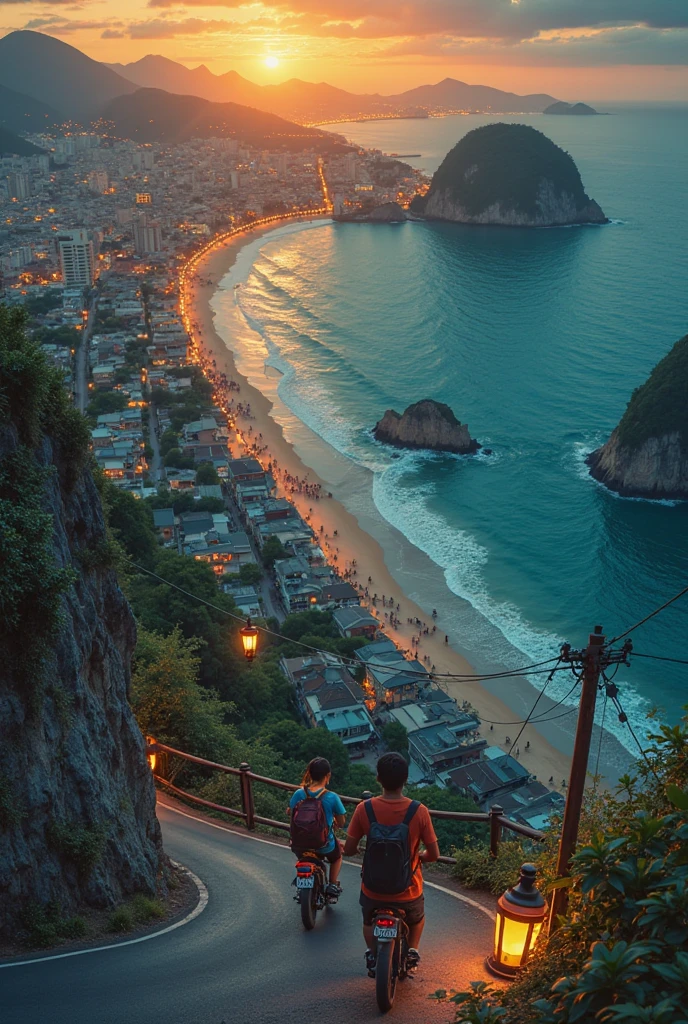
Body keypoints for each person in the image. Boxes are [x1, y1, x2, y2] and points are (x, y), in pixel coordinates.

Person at [344, 753, 439, 971]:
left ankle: (371, 952)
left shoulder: (364, 809)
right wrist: (421, 857)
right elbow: (433, 854)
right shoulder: (419, 811)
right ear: (405, 780)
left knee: (368, 920)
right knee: (417, 918)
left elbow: (349, 850)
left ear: (378, 778)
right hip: (408, 890)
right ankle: (413, 950)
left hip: (373, 889)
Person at [289, 757, 346, 901]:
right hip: (324, 845)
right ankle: (332, 884)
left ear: (309, 773)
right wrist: (335, 821)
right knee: (337, 856)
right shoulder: (332, 797)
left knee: (302, 855)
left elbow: (290, 812)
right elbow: (342, 821)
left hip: (299, 845)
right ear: (328, 776)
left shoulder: (299, 794)